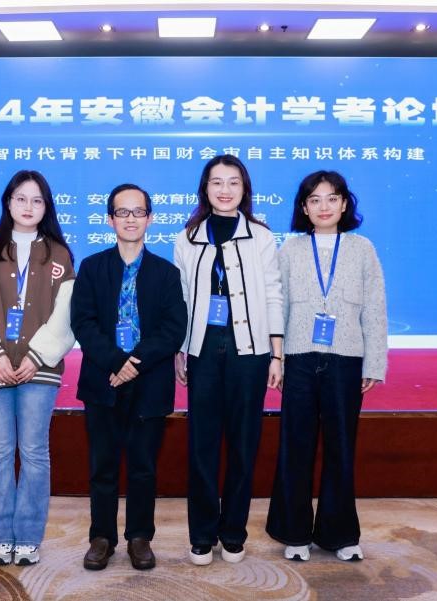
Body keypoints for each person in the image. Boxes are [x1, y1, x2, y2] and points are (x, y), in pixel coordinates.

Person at [265, 170, 387, 563]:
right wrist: (276, 358)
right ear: (303, 207)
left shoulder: (362, 248)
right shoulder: (290, 249)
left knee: (340, 447)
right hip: (299, 357)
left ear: (344, 204)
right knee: (295, 446)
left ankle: (340, 533)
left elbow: (375, 308)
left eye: (332, 198)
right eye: (314, 200)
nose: (323, 207)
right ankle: (294, 532)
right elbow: (277, 307)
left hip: (346, 358)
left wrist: (374, 362)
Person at [0, 170, 76, 567]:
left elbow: (65, 315)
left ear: (47, 207)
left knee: (35, 452)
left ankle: (27, 537)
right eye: (21, 198)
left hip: (38, 370)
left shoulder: (59, 254)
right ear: (8, 203)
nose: (28, 206)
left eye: (37, 200)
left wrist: (36, 357)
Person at [173, 155, 283, 566]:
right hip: (202, 350)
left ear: (244, 189)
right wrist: (180, 350)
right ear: (205, 188)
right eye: (216, 182)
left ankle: (234, 532)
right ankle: (202, 534)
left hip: (249, 351)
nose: (224, 190)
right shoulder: (187, 237)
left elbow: (273, 293)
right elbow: (182, 299)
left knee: (243, 443)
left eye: (233, 182)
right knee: (201, 445)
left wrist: (276, 353)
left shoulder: (261, 236)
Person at [70, 183, 187, 571]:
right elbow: (83, 323)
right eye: (123, 212)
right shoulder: (92, 268)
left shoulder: (166, 273)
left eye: (138, 212)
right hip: (103, 382)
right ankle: (101, 537)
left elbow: (173, 328)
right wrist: (115, 363)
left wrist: (133, 363)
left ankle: (139, 537)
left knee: (143, 467)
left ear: (150, 219)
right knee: (102, 466)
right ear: (110, 220)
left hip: (149, 382)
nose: (131, 219)